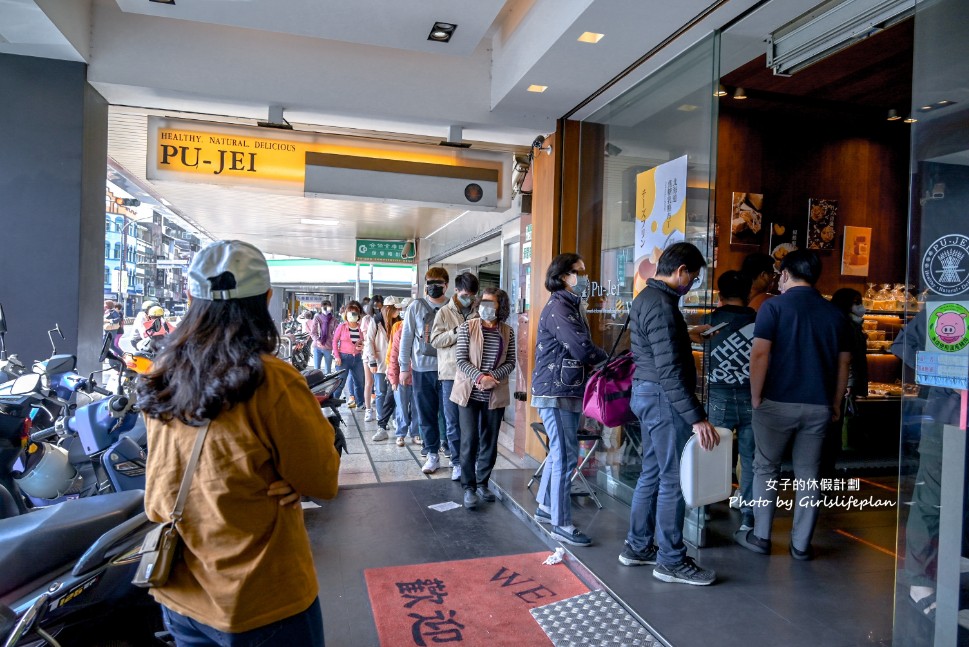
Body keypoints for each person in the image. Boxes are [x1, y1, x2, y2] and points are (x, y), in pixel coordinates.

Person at [136, 240, 341, 646]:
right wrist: (291, 477)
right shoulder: (273, 380)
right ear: (266, 298)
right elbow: (323, 479)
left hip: (181, 590)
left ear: (192, 298)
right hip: (261, 597)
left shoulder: (162, 372)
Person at [736, 249, 850, 561]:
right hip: (818, 407)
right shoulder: (835, 315)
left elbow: (759, 355)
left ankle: (761, 536)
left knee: (765, 469)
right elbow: (844, 365)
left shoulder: (773, 307)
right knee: (809, 476)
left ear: (785, 274)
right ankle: (800, 545)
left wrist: (756, 395)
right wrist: (836, 403)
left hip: (775, 403)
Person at [619, 242, 719, 586]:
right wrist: (696, 416)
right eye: (693, 276)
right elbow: (670, 372)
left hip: (647, 394)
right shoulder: (661, 306)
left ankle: (637, 546)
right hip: (663, 398)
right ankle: (671, 560)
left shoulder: (647, 299)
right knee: (673, 477)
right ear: (681, 272)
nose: (693, 282)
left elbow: (655, 349)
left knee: (652, 471)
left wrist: (683, 334)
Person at [531, 253, 608, 547]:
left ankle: (546, 506)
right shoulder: (560, 308)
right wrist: (608, 359)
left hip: (562, 388)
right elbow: (581, 348)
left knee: (558, 453)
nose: (585, 277)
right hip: (557, 391)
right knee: (564, 456)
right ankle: (562, 523)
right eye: (580, 272)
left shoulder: (568, 305)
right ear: (564, 276)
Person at [451, 288, 515, 509]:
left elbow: (511, 362)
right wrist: (480, 377)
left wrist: (491, 378)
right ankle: (468, 487)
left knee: (490, 440)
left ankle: (482, 482)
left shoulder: (507, 331)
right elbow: (460, 360)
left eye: (492, 302)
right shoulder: (467, 327)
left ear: (500, 306)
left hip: (494, 392)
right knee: (469, 440)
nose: (487, 306)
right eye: (484, 302)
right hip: (469, 392)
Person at [705, 270, 757, 531]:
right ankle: (748, 512)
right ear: (748, 293)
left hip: (718, 396)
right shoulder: (761, 322)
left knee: (711, 454)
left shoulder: (710, 322)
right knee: (750, 459)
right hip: (753, 397)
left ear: (720, 294)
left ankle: (704, 508)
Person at [399, 268, 451, 474]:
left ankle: (453, 453)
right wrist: (404, 368)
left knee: (450, 415)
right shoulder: (415, 307)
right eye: (429, 282)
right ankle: (431, 454)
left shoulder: (453, 307)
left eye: (437, 282)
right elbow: (407, 338)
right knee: (426, 413)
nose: (433, 286)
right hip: (422, 369)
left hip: (449, 370)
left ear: (446, 285)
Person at [431, 272, 480, 481]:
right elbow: (435, 340)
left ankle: (473, 460)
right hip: (451, 374)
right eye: (465, 294)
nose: (468, 298)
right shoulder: (444, 312)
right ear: (457, 291)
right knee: (452, 421)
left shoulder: (480, 310)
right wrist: (456, 332)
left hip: (475, 374)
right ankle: (458, 462)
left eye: (472, 294)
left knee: (473, 421)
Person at [822, 288, 868, 476]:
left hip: (838, 383)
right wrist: (849, 383)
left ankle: (826, 471)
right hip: (838, 385)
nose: (861, 307)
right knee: (832, 430)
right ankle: (826, 472)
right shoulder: (845, 324)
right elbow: (846, 359)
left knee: (832, 431)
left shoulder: (846, 323)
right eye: (856, 302)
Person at [366, 298, 398, 441]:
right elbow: (369, 341)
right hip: (379, 362)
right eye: (395, 309)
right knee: (381, 392)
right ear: (389, 309)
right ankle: (381, 421)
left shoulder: (399, 321)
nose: (398, 311)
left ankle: (395, 419)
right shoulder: (376, 320)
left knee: (394, 392)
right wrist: (372, 361)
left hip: (394, 362)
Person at [387, 297, 418, 447]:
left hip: (419, 377)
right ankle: (400, 433)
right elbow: (393, 356)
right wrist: (393, 378)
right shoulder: (400, 331)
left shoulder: (423, 330)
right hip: (401, 377)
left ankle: (416, 433)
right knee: (401, 408)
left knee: (417, 407)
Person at [333, 301, 366, 409]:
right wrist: (337, 356)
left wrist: (362, 345)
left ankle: (360, 403)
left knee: (360, 383)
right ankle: (333, 404)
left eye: (355, 313)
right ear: (346, 314)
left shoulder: (360, 327)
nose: (352, 315)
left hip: (357, 358)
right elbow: (335, 341)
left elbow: (365, 340)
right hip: (343, 358)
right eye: (350, 313)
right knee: (340, 383)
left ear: (358, 315)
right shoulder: (342, 327)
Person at [361, 295, 384, 422]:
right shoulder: (367, 319)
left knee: (381, 386)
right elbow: (367, 339)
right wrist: (371, 355)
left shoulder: (385, 318)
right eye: (375, 306)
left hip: (382, 354)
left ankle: (383, 412)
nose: (377, 308)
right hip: (369, 354)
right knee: (369, 382)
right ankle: (368, 409)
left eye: (380, 305)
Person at [309, 300, 336, 373]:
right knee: (316, 370)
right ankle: (317, 384)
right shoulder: (317, 318)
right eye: (324, 307)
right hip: (317, 346)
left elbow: (336, 334)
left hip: (328, 347)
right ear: (321, 308)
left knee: (328, 371)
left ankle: (327, 384)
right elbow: (313, 332)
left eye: (328, 307)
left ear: (331, 308)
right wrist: (318, 340)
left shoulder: (334, 320)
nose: (326, 309)